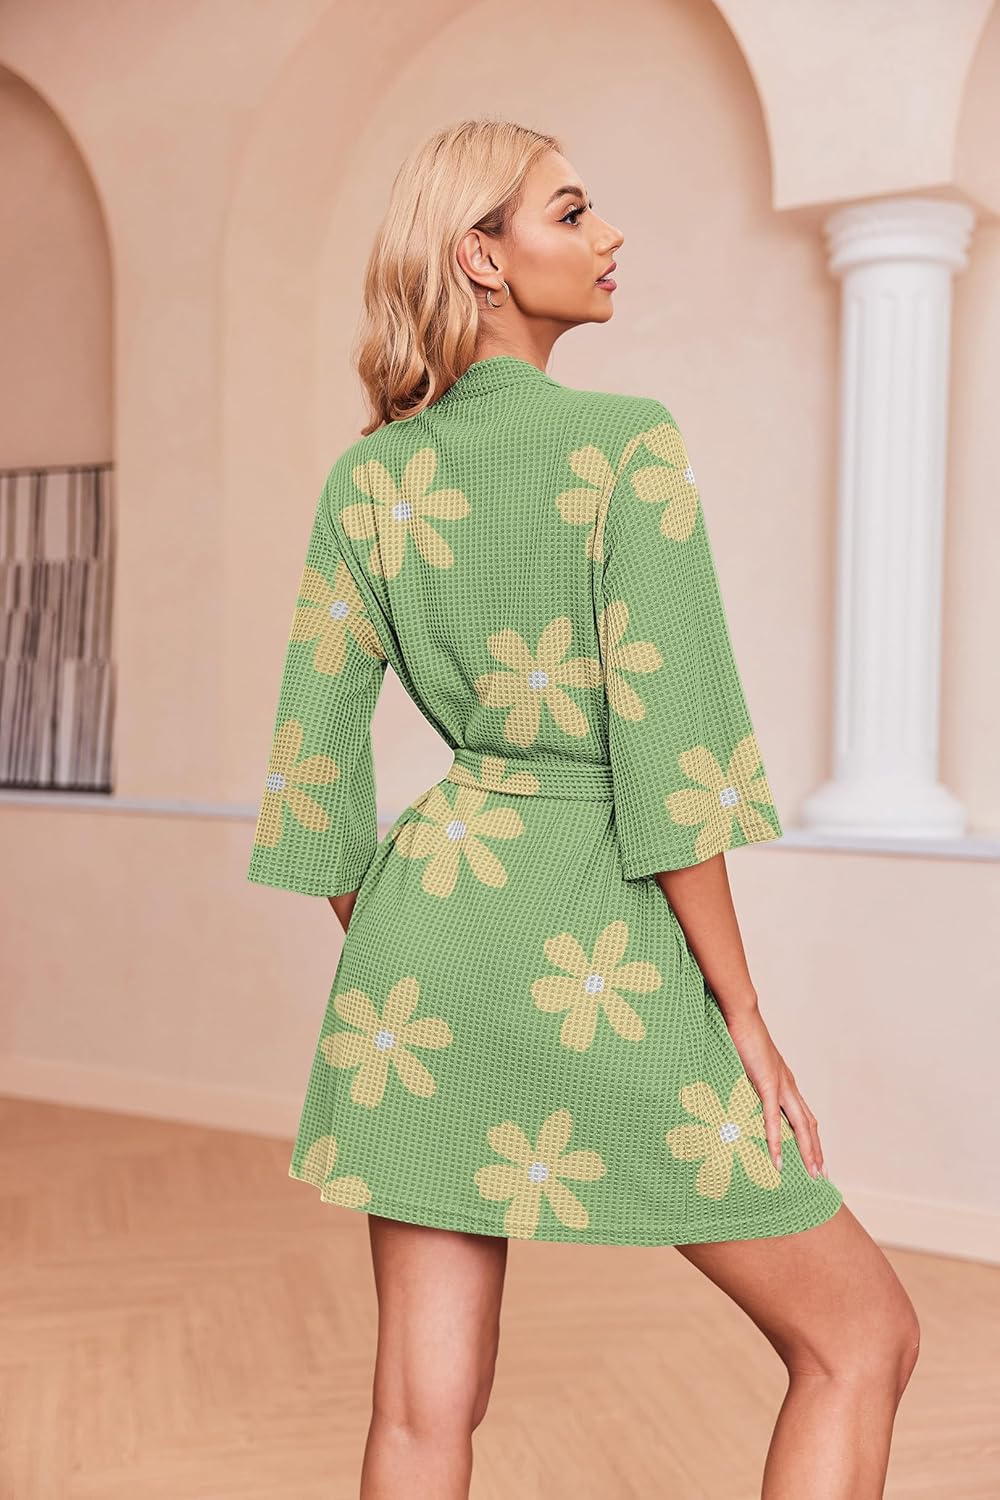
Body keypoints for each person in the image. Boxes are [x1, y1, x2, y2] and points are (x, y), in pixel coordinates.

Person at [246, 118, 919, 1500]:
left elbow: (314, 775)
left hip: (422, 939)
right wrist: (743, 1017)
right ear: (481, 258)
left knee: (423, 1411)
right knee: (863, 1338)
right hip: (592, 935)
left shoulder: (369, 478)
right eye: (570, 211)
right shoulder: (624, 448)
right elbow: (674, 767)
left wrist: (419, 956)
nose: (610, 236)